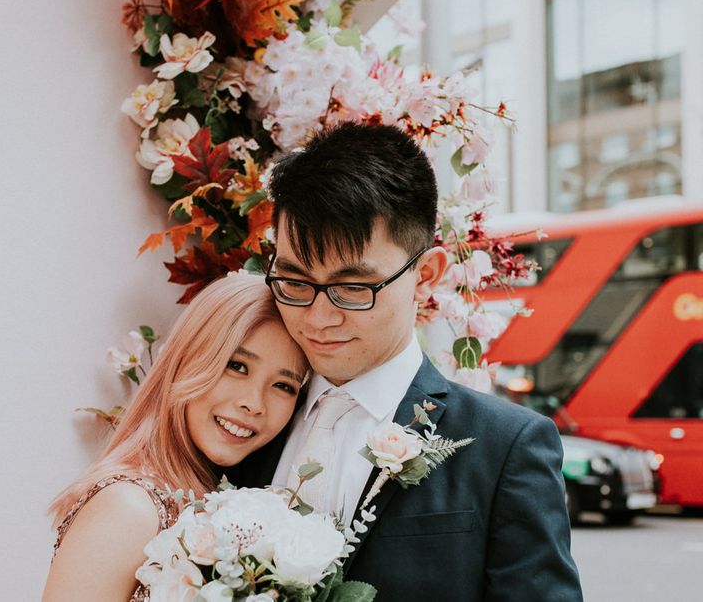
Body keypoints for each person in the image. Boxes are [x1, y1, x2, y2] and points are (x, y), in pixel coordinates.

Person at [239, 122, 583, 601]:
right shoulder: (242, 420)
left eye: (353, 288)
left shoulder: (506, 449)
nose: (317, 318)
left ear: (426, 276)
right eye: (295, 282)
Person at [42, 273, 309, 602]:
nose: (254, 403)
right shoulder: (128, 508)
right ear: (186, 360)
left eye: (284, 386)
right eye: (237, 366)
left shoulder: (223, 504)